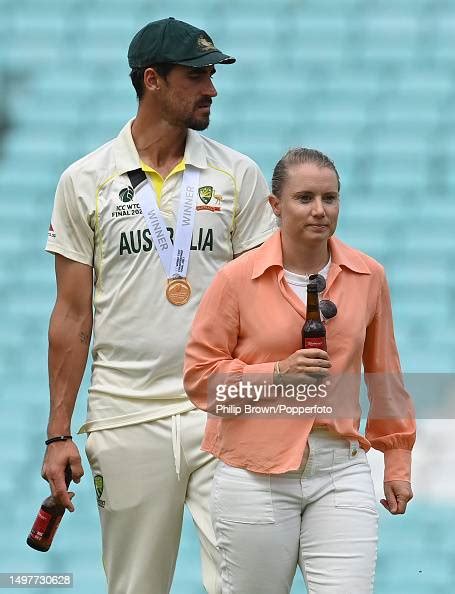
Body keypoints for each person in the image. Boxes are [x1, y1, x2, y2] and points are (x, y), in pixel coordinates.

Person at [41, 17, 276, 594]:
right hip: (126, 417)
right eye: (196, 75)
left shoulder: (236, 174)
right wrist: (57, 435)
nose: (212, 89)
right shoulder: (84, 181)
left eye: (212, 75)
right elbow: (72, 317)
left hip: (224, 413)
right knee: (135, 588)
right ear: (152, 80)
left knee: (249, 583)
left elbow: (267, 301)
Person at [184, 148, 416, 594]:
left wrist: (397, 462)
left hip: (341, 471)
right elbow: (200, 382)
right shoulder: (236, 279)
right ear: (275, 205)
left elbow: (385, 376)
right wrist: (276, 375)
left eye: (330, 198)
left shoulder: (370, 276)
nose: (319, 210)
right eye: (304, 198)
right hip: (253, 473)